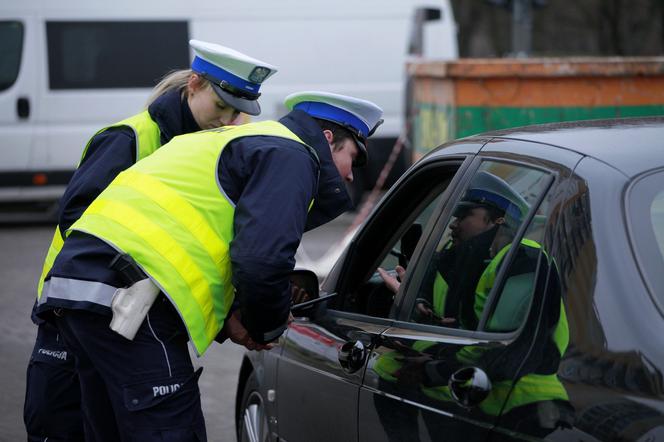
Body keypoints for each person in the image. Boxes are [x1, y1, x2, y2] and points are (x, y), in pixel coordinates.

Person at [34, 90, 384, 440]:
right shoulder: (291, 154)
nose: (351, 175)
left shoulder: (238, 140)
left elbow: (198, 247)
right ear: (327, 139)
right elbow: (261, 260)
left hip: (80, 292)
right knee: (170, 430)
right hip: (130, 300)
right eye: (353, 157)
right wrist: (266, 326)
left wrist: (231, 317)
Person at [24, 39, 277, 442]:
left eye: (238, 113)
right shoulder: (130, 138)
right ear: (194, 84)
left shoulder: (208, 145)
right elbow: (78, 219)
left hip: (132, 318)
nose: (227, 121)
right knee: (63, 426)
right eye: (221, 107)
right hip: (76, 307)